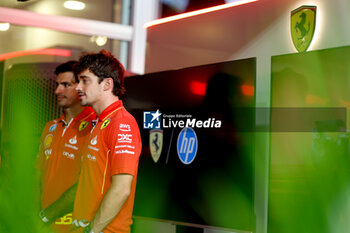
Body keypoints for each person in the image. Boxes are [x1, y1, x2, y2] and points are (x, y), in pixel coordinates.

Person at [72, 50, 142, 233]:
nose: (78, 87)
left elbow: (121, 189)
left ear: (107, 84)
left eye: (85, 80)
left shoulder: (122, 123)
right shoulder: (98, 123)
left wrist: (92, 230)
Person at [36, 61, 95, 232]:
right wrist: (34, 215)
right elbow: (37, 175)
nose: (57, 91)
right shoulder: (50, 127)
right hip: (43, 224)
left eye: (65, 85)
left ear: (81, 87)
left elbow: (87, 184)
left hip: (73, 227)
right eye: (57, 85)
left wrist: (46, 216)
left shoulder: (95, 126)